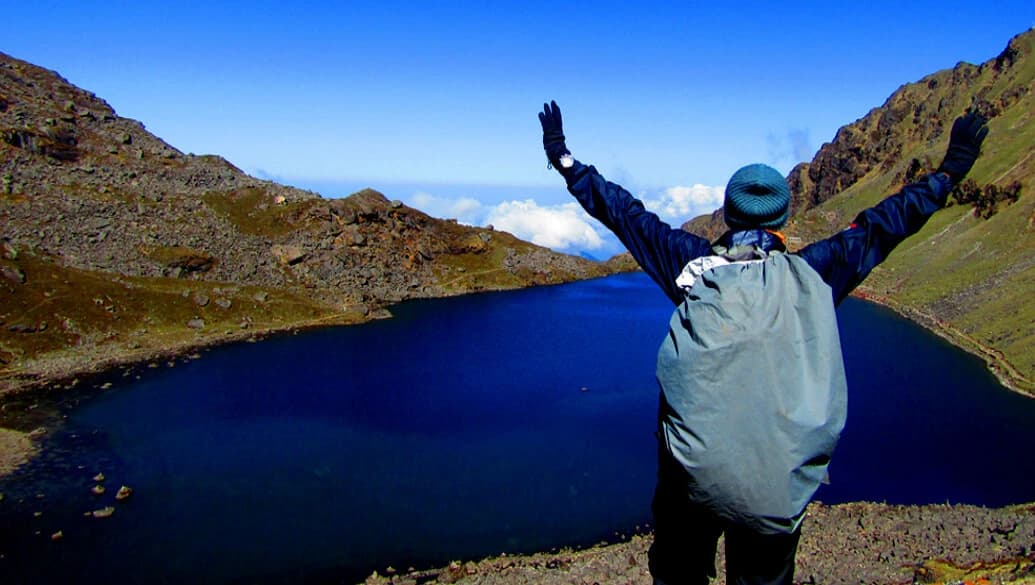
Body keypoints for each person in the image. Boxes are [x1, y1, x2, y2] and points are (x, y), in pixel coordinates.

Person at [537, 100, 988, 585]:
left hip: (691, 482)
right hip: (776, 490)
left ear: (728, 215)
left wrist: (564, 159)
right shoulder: (814, 274)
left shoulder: (691, 267)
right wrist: (948, 173)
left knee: (678, 567)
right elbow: (884, 224)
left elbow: (624, 214)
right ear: (784, 219)